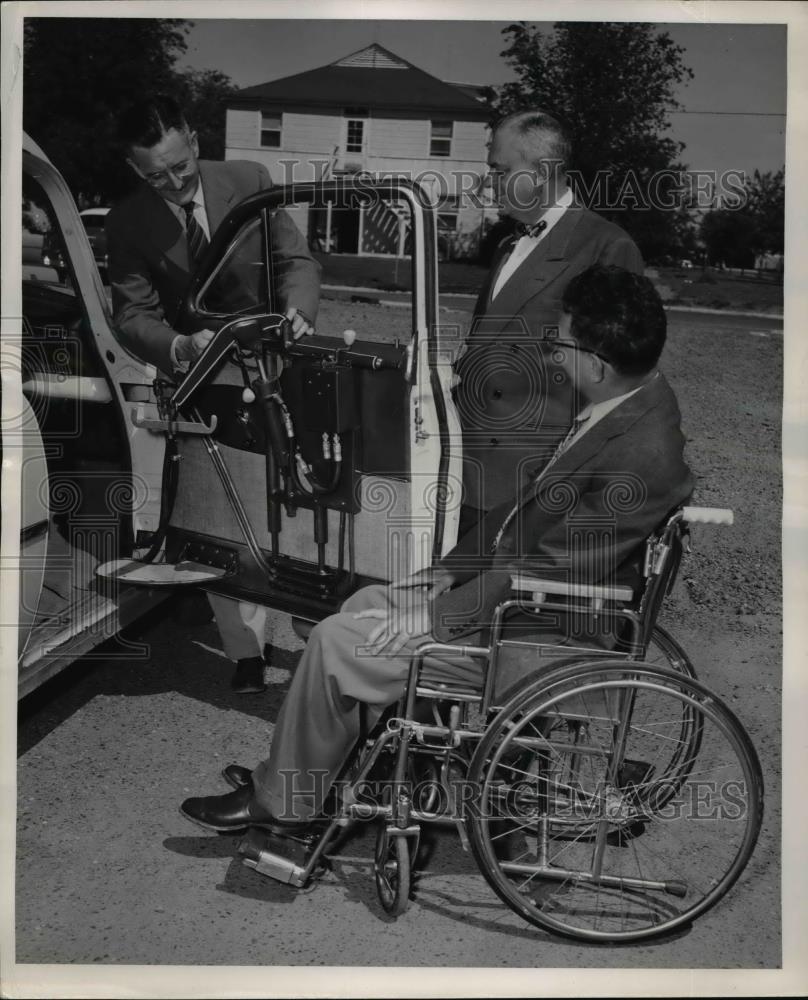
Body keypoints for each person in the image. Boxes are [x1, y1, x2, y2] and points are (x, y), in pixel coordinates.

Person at [179, 265, 693, 835]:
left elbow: (546, 571)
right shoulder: (627, 405)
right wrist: (449, 572)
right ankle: (341, 776)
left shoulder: (642, 455)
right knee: (358, 607)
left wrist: (436, 616)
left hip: (542, 634)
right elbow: (525, 510)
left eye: (560, 344)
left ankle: (287, 802)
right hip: (523, 605)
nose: (552, 357)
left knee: (333, 644)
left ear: (597, 363)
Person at [106, 95, 321, 694]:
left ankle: (323, 641)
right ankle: (245, 651)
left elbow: (294, 260)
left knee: (298, 507)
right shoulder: (127, 221)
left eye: (180, 167)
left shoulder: (250, 180)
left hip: (276, 370)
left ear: (194, 141)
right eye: (155, 175)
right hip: (200, 384)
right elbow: (132, 315)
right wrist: (177, 346)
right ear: (134, 170)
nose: (173, 183)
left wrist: (298, 313)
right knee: (220, 521)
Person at [454, 110, 644, 538]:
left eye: (500, 171)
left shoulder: (606, 246)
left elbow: (616, 391)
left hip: (530, 486)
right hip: (464, 474)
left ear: (542, 172)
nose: (490, 183)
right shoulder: (508, 245)